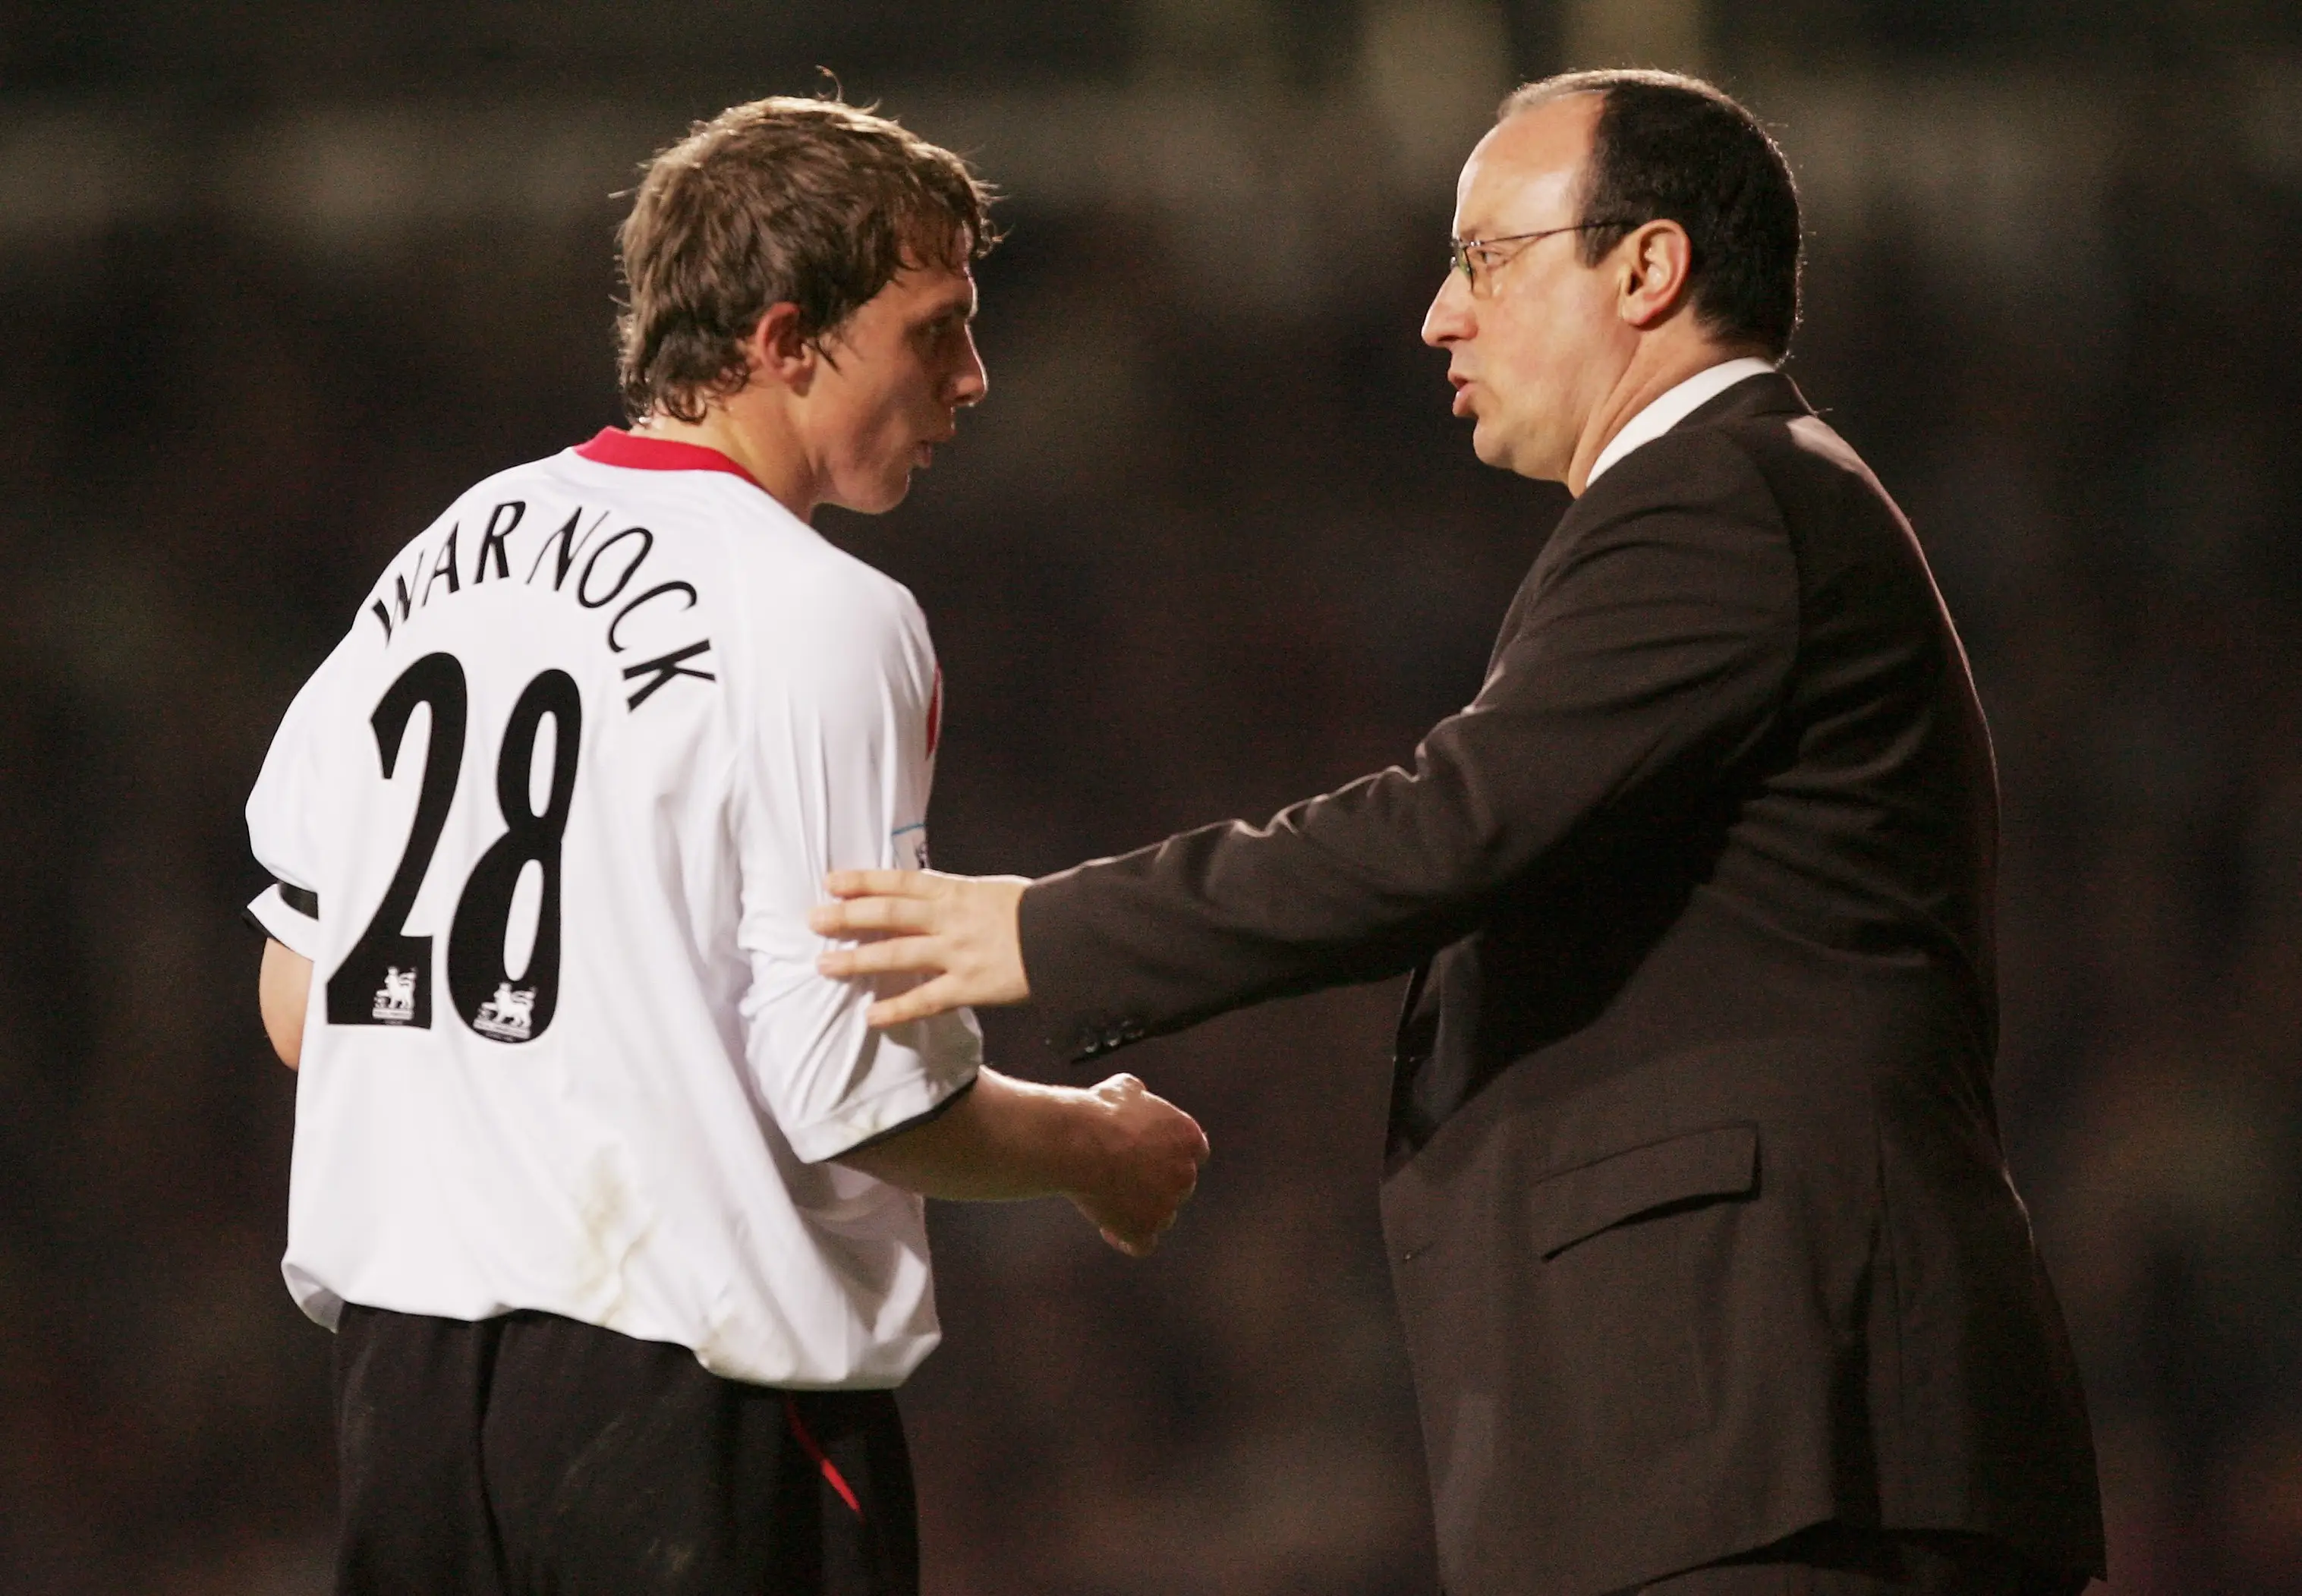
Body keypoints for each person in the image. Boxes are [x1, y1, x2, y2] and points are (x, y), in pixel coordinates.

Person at [808, 71, 2104, 1596]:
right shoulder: (1741, 503)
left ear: (1648, 266)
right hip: (1747, 1433)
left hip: (1788, 1431)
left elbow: (1443, 832)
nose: (1438, 315)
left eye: (1486, 257)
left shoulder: (1720, 498)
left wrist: (1039, 930)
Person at [243, 95, 1207, 1596]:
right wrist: (1096, 1150)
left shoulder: (441, 555)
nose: (971, 375)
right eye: (937, 329)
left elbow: (303, 1002)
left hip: (406, 1398)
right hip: (690, 1404)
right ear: (785, 339)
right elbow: (850, 1091)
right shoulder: (821, 612)